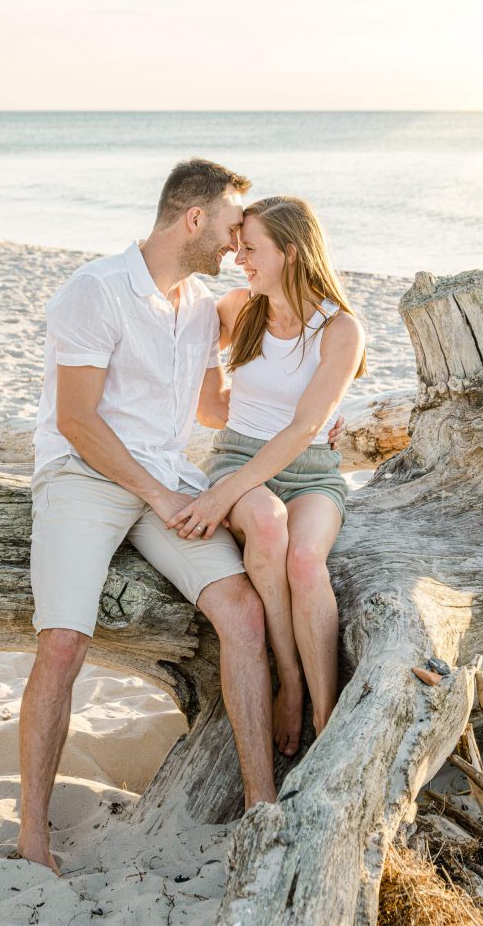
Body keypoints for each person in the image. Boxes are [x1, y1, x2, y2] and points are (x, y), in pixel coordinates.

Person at [18, 159, 275, 874]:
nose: (233, 244)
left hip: (166, 477)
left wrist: (315, 423)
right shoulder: (96, 289)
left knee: (242, 613)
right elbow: (75, 420)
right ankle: (33, 836)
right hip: (82, 475)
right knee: (64, 642)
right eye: (229, 228)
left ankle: (261, 805)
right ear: (193, 219)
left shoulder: (197, 305)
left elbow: (213, 409)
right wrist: (159, 498)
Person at [167, 196, 366, 759]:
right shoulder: (237, 309)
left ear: (292, 252)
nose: (240, 260)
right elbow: (210, 406)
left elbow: (305, 428)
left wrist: (220, 496)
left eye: (251, 249)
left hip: (313, 474)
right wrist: (238, 450)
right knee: (269, 524)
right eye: (239, 248)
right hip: (237, 460)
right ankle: (291, 682)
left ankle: (325, 717)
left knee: (306, 560)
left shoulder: (341, 329)